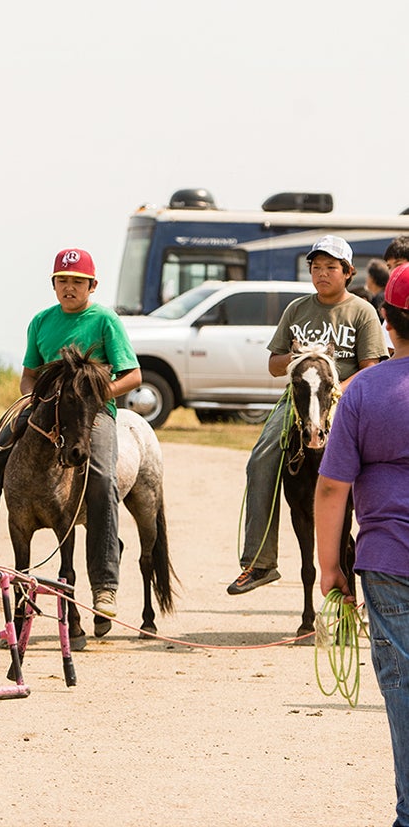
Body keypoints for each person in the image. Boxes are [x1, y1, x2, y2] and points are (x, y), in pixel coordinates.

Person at [0, 248, 141, 631]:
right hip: (46, 411)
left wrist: (97, 395)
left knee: (103, 479)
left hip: (92, 414)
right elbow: (29, 373)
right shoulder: (41, 322)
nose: (69, 287)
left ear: (92, 285)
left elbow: (133, 376)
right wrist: (31, 396)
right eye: (62, 280)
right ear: (54, 284)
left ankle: (104, 584)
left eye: (77, 281)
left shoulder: (105, 320)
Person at [228, 235, 386, 595]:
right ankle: (260, 561)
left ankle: (382, 551)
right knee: (260, 459)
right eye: (316, 267)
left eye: (331, 267)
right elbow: (273, 365)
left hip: (344, 400)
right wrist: (299, 358)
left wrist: (335, 392)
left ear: (348, 272)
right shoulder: (296, 309)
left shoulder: (361, 312)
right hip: (298, 399)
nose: (322, 274)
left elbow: (372, 366)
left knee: (381, 460)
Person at [315, 262, 409, 827]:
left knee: (402, 684)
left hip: (389, 561)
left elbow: (330, 487)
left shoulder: (365, 392)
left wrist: (330, 567)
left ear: (388, 319)